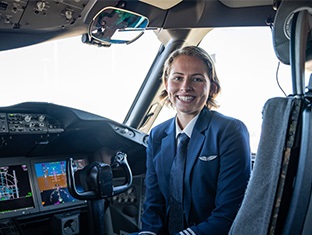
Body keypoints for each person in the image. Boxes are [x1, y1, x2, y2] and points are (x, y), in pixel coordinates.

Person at [138, 46, 251, 235]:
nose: (185, 87)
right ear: (166, 83)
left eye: (197, 79)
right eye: (178, 78)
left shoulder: (229, 131)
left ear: (212, 88)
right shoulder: (157, 135)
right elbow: (153, 205)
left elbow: (228, 215)